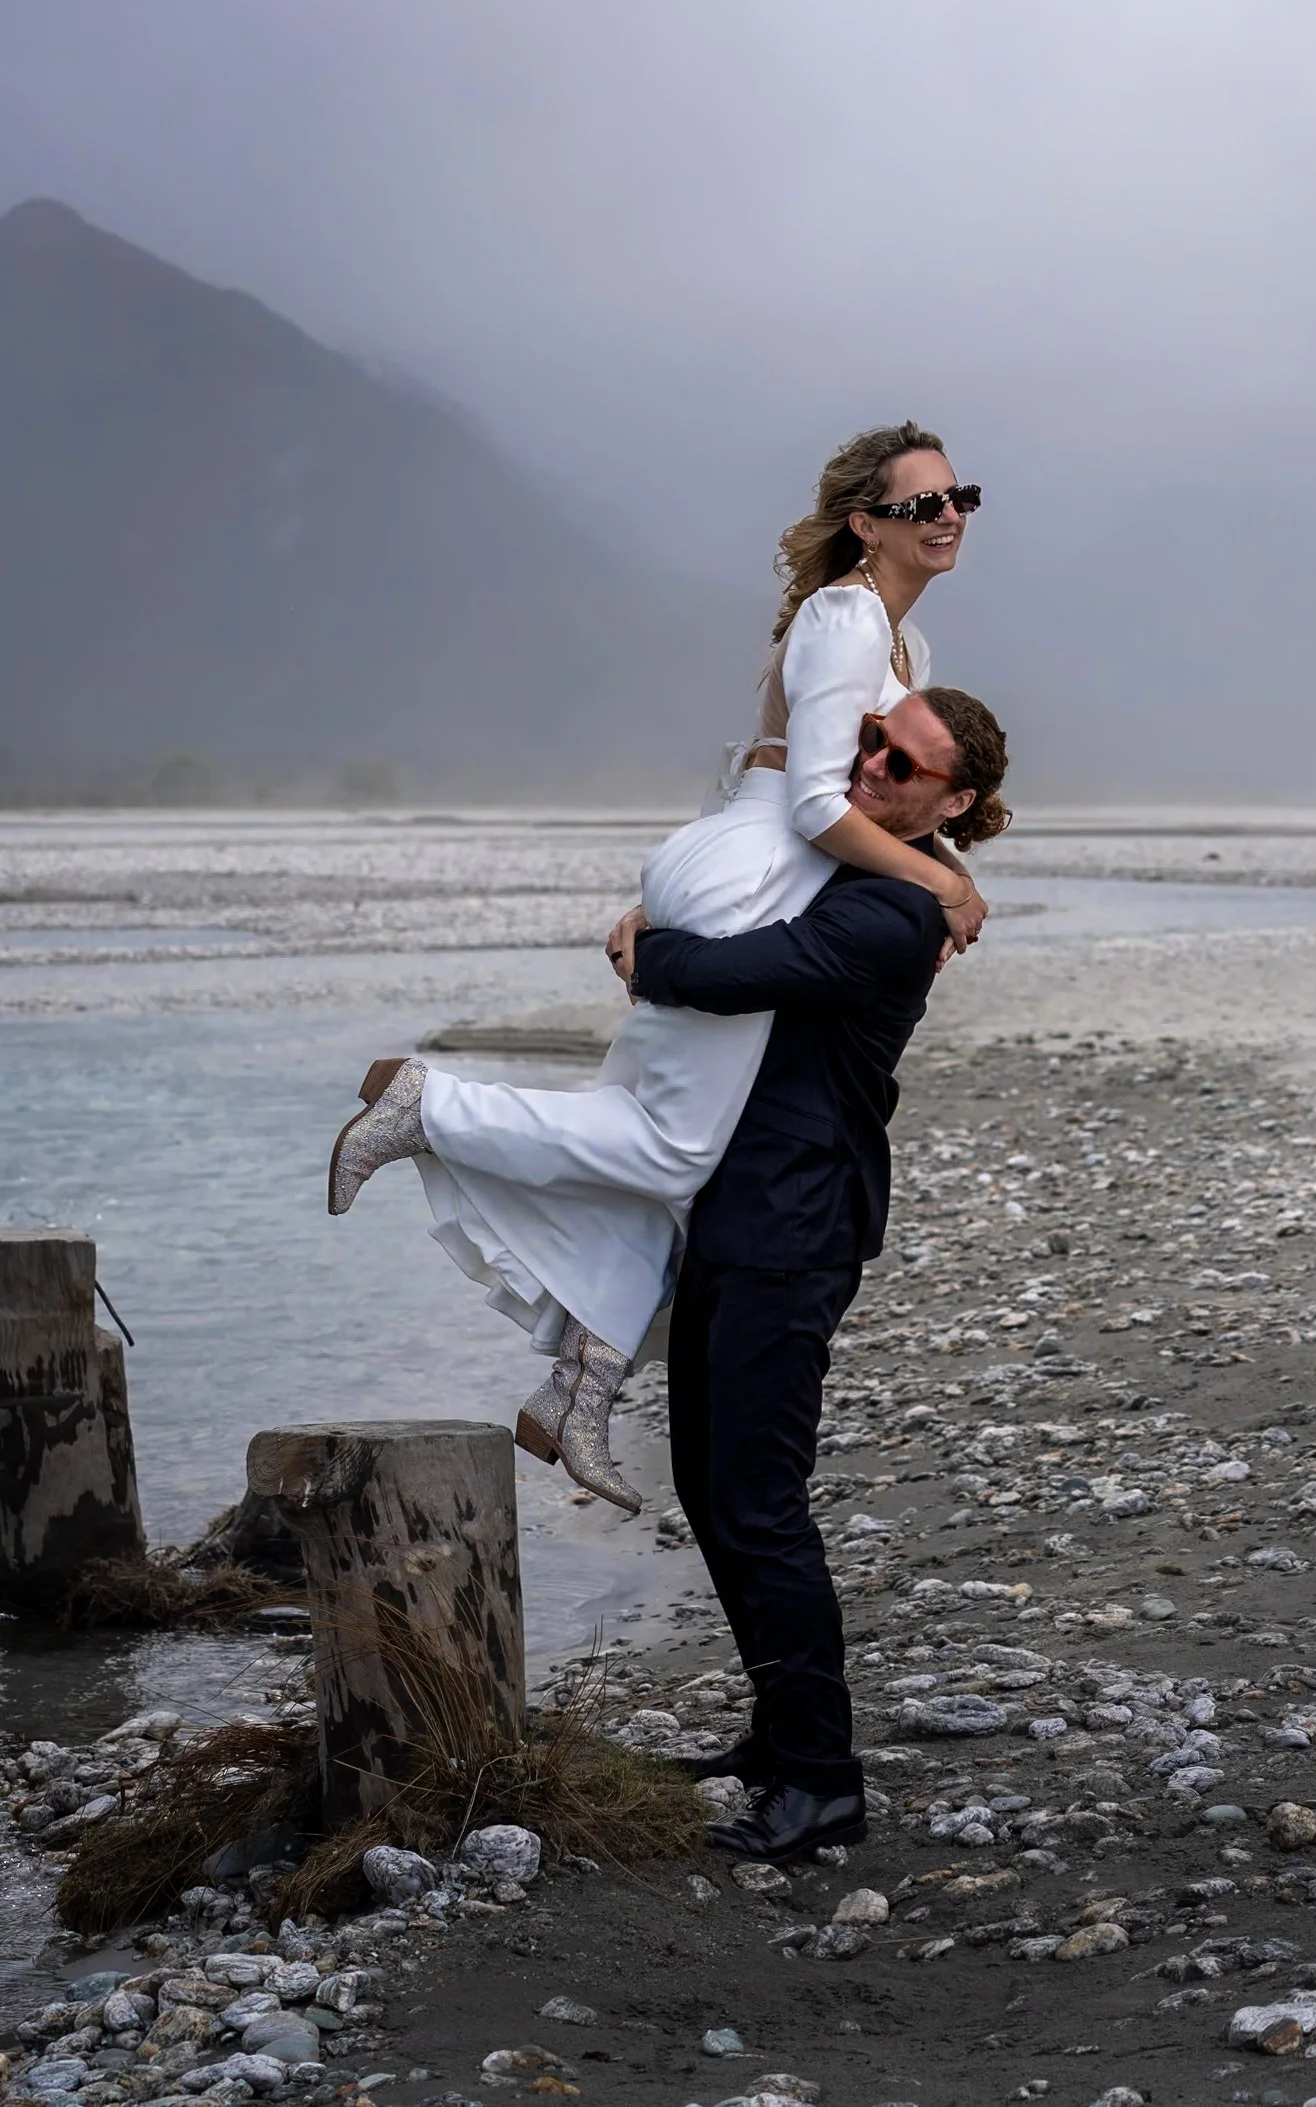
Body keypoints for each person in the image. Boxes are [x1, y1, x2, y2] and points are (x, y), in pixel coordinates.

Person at [326, 422, 989, 1515]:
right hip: (766, 863)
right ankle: (427, 1105)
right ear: (867, 525)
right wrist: (941, 887)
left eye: (960, 494)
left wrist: (947, 866)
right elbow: (820, 802)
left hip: (757, 857)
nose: (949, 514)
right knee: (674, 1143)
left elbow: (820, 789)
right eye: (922, 503)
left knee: (693, 1156)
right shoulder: (844, 617)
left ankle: (583, 1383)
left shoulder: (901, 649)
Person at [613, 685, 1011, 1864]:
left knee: (757, 1501)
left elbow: (728, 975)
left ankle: (824, 1781)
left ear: (957, 801)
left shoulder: (895, 908)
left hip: (794, 1222)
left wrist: (647, 942)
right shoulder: (859, 864)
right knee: (709, 1484)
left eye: (910, 764)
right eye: (875, 742)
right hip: (740, 1213)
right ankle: (780, 1738)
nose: (879, 766)